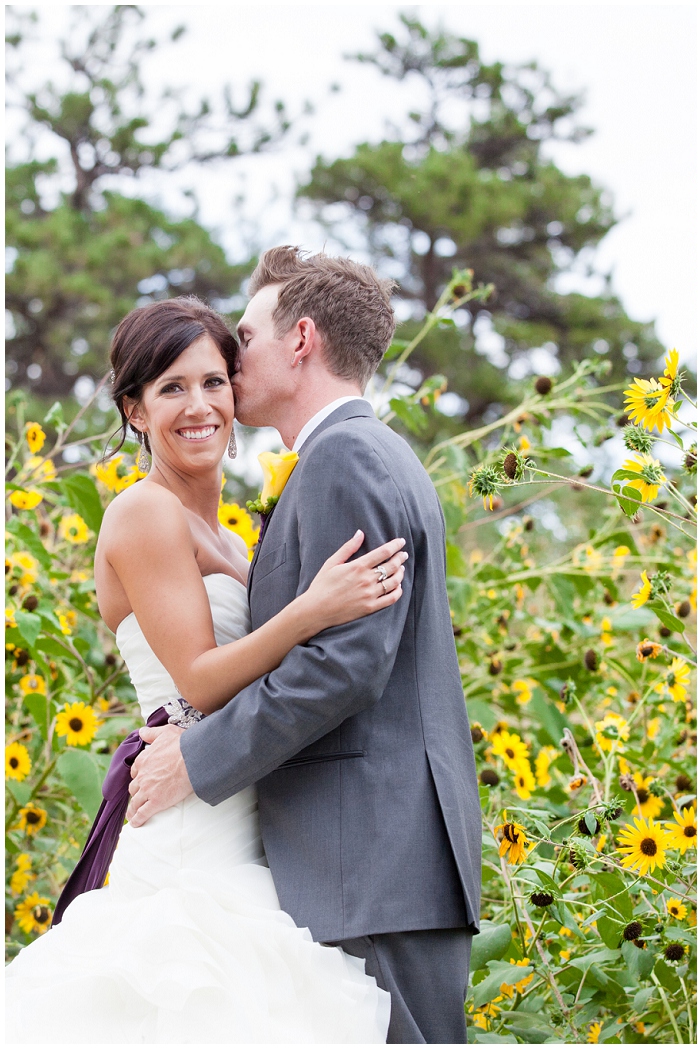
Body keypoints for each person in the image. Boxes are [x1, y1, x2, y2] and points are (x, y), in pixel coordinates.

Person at [6, 296, 401, 1041]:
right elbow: (199, 678)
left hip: (247, 810)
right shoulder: (142, 512)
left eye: (214, 381)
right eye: (171, 388)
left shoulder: (237, 527)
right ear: (135, 409)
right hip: (191, 829)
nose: (200, 406)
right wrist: (311, 609)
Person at [125, 247, 483, 1043]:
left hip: (371, 855)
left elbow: (343, 665)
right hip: (371, 854)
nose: (230, 359)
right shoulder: (357, 453)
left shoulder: (344, 457)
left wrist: (198, 755)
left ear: (302, 340)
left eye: (244, 339)